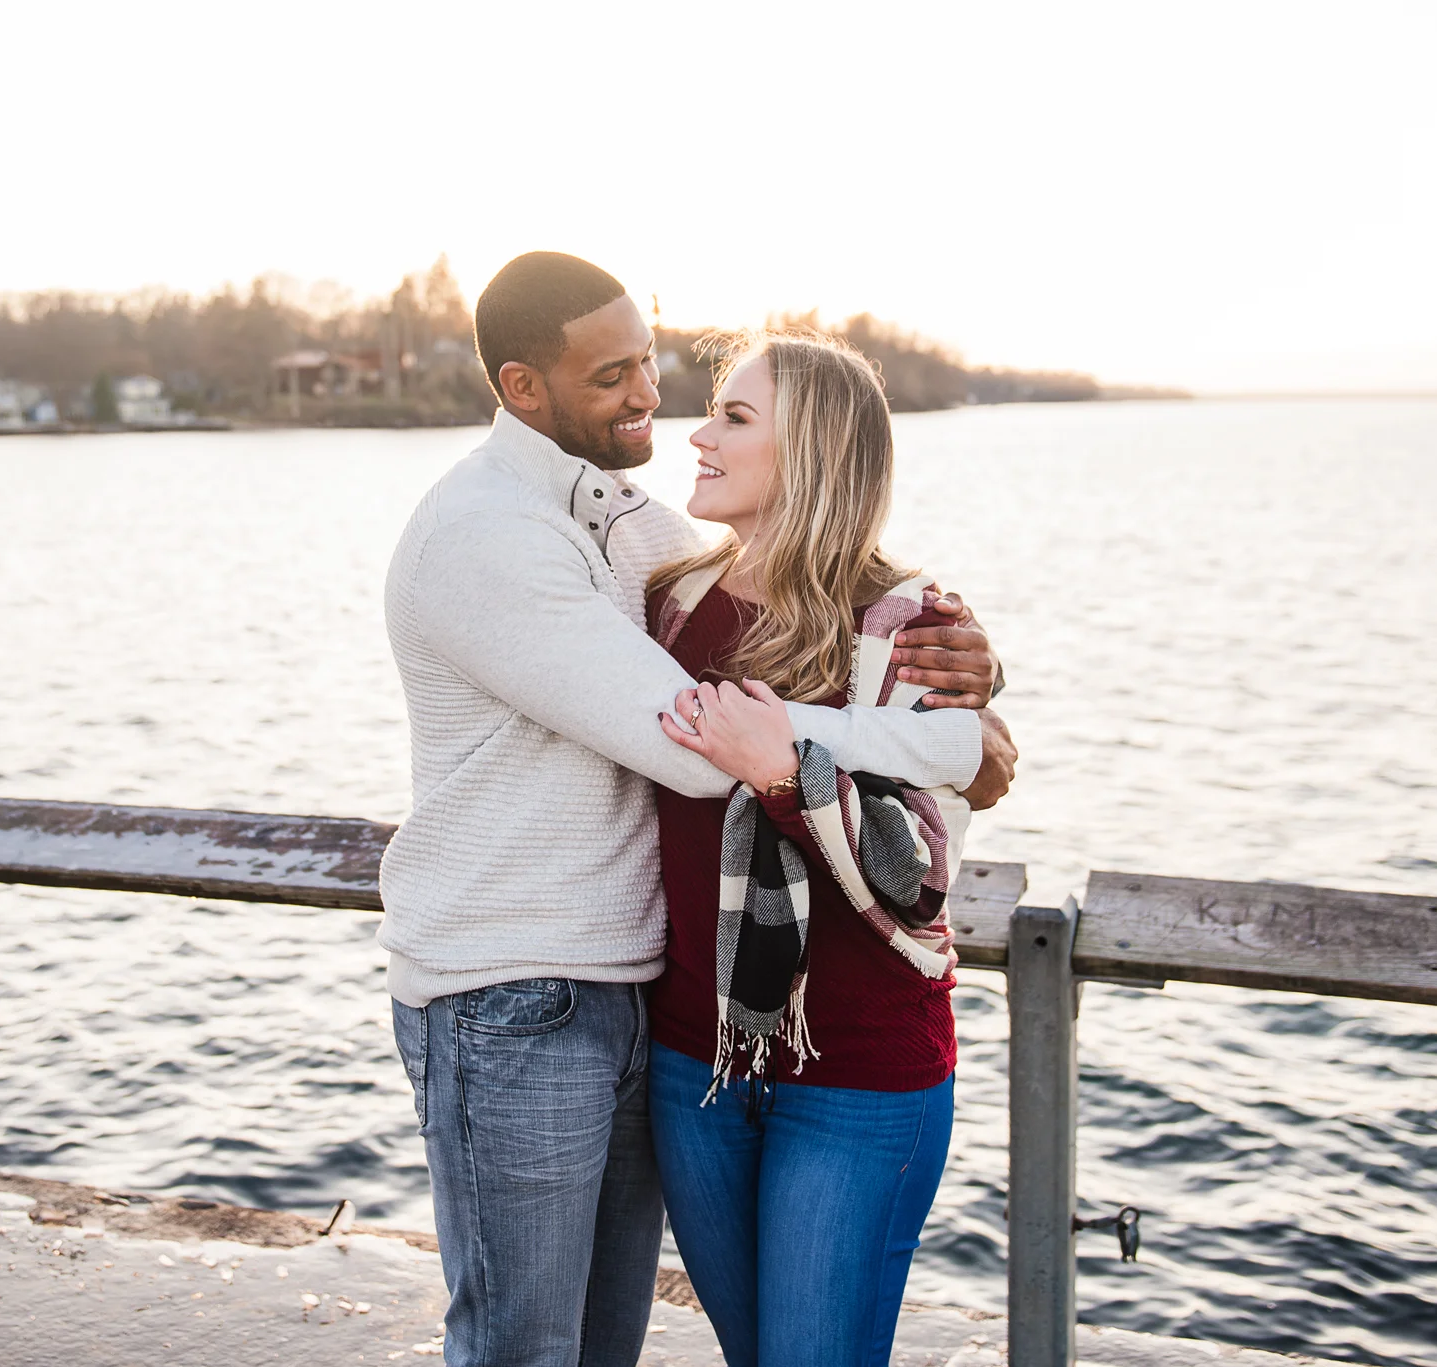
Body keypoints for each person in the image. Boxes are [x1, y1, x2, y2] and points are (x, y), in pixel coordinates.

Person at [378, 252, 1017, 1367]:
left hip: (679, 1012)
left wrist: (971, 713)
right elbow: (698, 748)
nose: (655, 404)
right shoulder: (491, 535)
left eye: (653, 365)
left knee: (605, 1343)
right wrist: (943, 745)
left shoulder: (639, 534)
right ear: (524, 388)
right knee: (525, 1346)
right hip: (520, 992)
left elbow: (795, 590)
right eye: (613, 374)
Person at [644, 332, 983, 1367]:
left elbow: (923, 866)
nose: (696, 433)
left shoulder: (904, 622)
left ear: (817, 452)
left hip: (859, 1081)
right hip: (691, 1064)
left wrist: (785, 767)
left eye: (734, 417)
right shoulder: (670, 604)